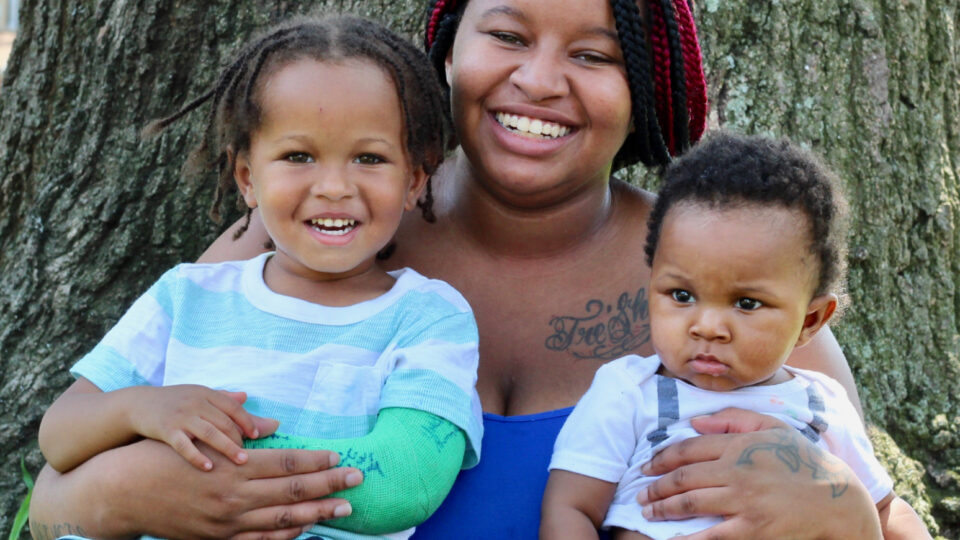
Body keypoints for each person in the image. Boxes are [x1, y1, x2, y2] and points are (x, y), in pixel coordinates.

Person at [30, 1, 890, 538]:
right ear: (449, 47)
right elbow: (53, 497)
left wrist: (847, 521)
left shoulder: (719, 277)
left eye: (594, 55)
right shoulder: (301, 242)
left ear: (647, 89)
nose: (540, 79)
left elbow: (880, 512)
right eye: (507, 34)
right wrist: (121, 500)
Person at [35, 15, 482, 540]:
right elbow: (60, 435)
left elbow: (403, 483)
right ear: (248, 178)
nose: (334, 186)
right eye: (298, 156)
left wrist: (183, 466)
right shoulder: (187, 295)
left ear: (413, 181)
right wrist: (139, 410)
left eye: (369, 157)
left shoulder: (428, 317)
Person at [540, 132, 930, 540]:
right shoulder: (629, 393)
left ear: (811, 321)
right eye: (682, 295)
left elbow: (884, 511)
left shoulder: (823, 405)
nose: (707, 326)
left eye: (746, 303)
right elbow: (570, 508)